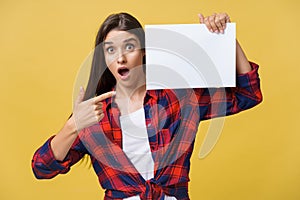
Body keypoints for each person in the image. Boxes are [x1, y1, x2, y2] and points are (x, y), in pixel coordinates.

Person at [32, 12, 262, 200]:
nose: (120, 57)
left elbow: (248, 93)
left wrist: (226, 38)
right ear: (104, 59)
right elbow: (42, 168)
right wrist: (72, 126)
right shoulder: (93, 112)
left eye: (129, 47)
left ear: (143, 51)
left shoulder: (178, 98)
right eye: (111, 49)